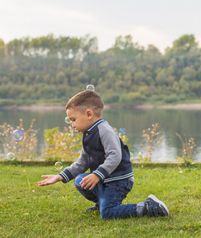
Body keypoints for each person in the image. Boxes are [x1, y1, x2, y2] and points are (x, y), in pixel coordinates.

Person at [38, 90, 169, 219]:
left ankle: (148, 207)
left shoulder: (104, 130)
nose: (72, 124)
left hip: (118, 180)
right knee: (80, 180)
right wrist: (60, 176)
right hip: (105, 178)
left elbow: (115, 156)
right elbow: (82, 162)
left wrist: (96, 174)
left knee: (107, 214)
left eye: (73, 119)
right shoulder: (89, 133)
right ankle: (102, 203)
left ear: (89, 114)